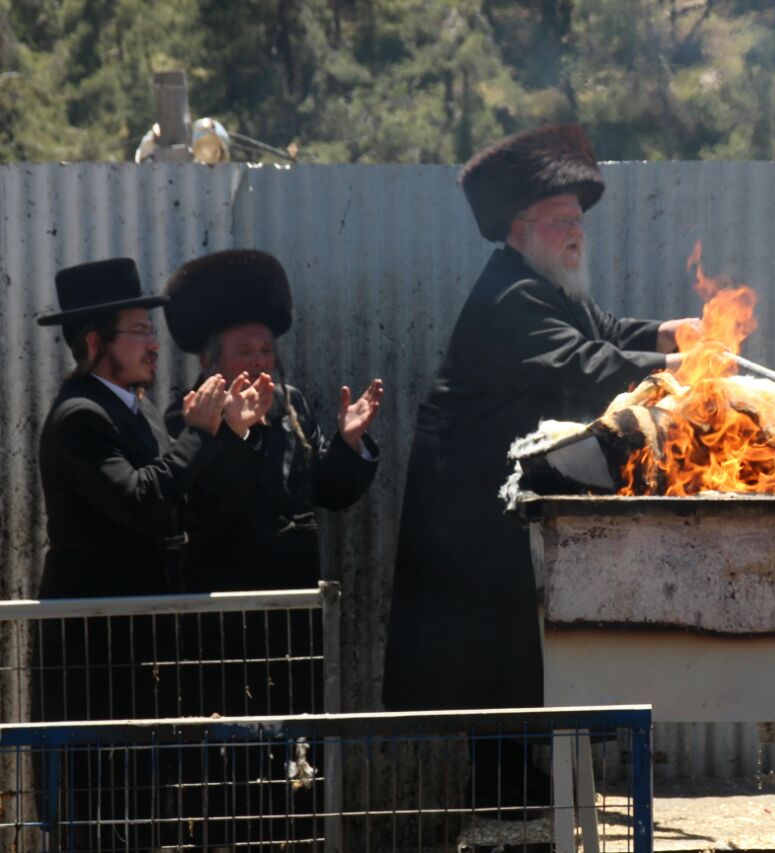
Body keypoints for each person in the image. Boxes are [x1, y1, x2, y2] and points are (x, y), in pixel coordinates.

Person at [381, 123, 699, 810]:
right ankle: (505, 805)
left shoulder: (548, 283)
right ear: (520, 228)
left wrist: (671, 333)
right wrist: (685, 369)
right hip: (466, 520)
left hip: (501, 510)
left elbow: (605, 331)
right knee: (490, 666)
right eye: (561, 221)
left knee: (520, 661)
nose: (575, 232)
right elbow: (589, 365)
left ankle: (526, 793)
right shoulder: (509, 298)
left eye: (578, 220)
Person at [34, 257, 270, 851]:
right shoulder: (80, 418)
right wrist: (200, 432)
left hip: (144, 649)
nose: (153, 345)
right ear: (95, 341)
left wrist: (229, 434)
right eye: (138, 331)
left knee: (146, 802)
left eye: (150, 330)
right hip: (98, 654)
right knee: (102, 807)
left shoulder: (130, 412)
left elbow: (182, 496)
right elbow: (141, 500)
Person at [161, 248, 383, 846]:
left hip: (294, 616)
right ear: (213, 364)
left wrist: (349, 443)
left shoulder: (294, 408)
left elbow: (326, 492)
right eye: (244, 352)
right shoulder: (189, 420)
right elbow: (213, 504)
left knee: (296, 752)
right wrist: (233, 432)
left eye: (266, 350)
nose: (260, 363)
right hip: (225, 623)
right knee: (228, 755)